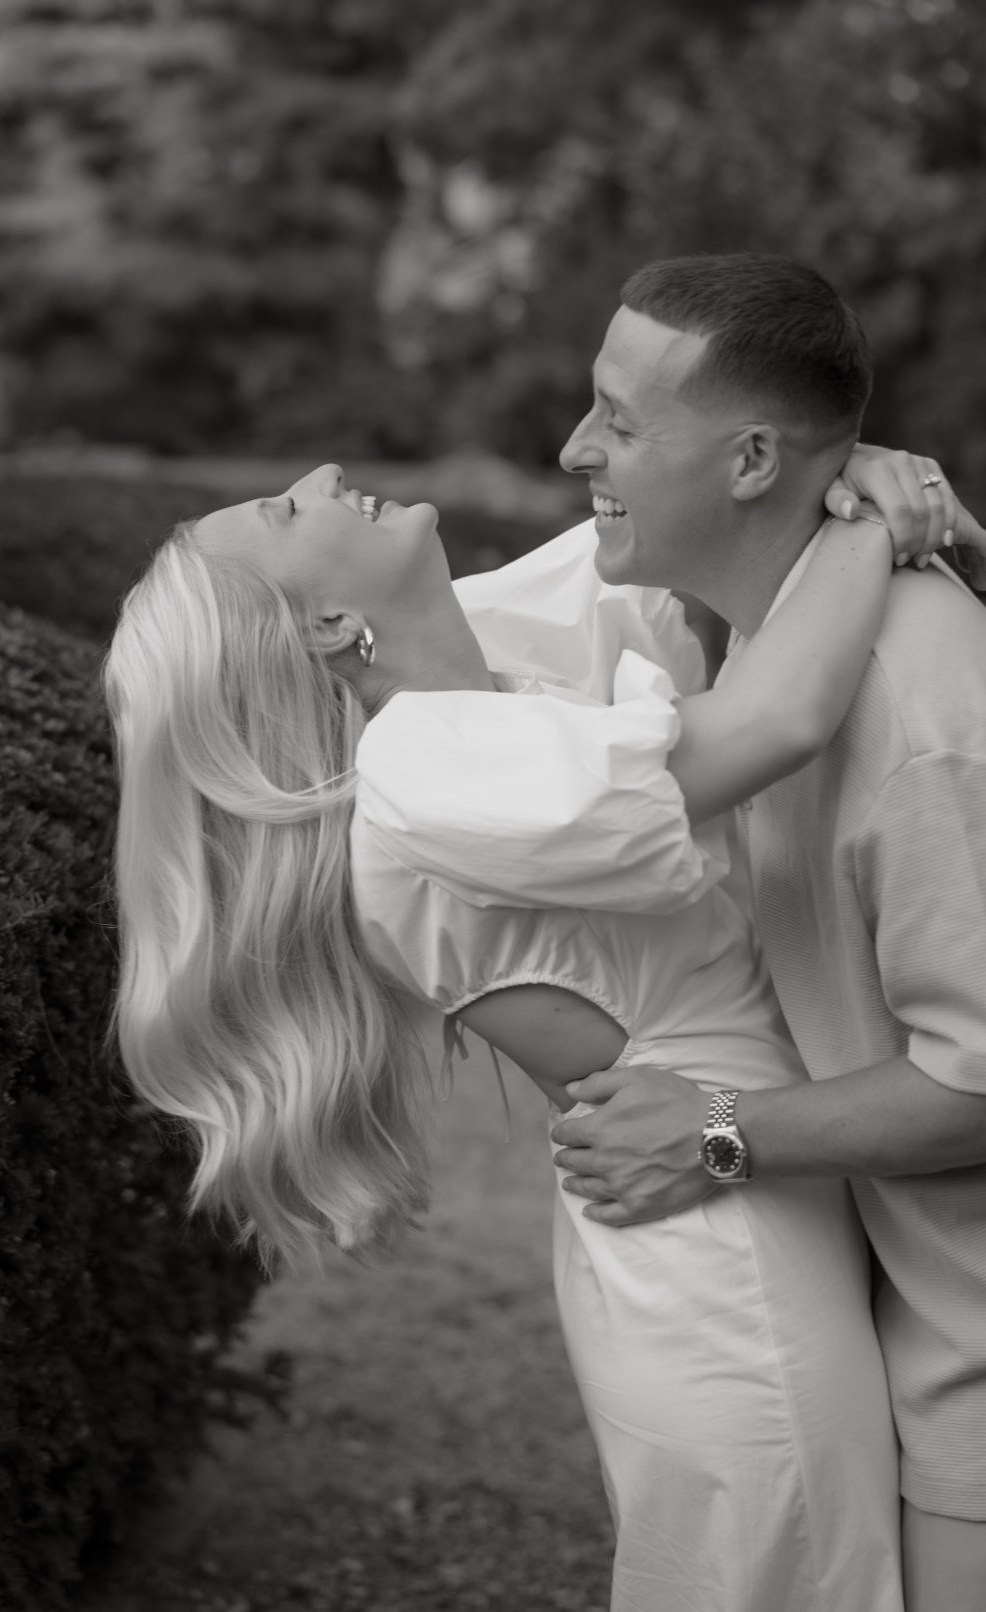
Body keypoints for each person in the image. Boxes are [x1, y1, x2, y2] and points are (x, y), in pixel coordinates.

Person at [104, 452, 961, 1611]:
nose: (316, 471)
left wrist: (836, 465)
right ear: (326, 626)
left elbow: (673, 550)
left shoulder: (454, 683)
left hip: (734, 1190)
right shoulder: (424, 773)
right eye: (282, 510)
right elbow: (781, 715)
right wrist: (872, 522)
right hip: (723, 1237)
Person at [457, 253, 986, 1612]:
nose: (577, 448)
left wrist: (717, 1135)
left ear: (748, 459)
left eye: (619, 422)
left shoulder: (918, 708)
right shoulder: (746, 648)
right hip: (907, 1332)